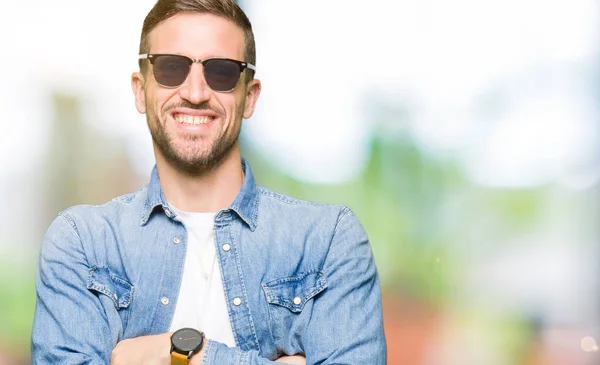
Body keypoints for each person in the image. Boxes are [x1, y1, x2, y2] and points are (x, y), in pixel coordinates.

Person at [31, 0, 387, 364]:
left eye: (221, 72)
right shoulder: (82, 243)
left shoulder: (327, 242)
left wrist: (180, 354)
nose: (196, 93)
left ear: (249, 96)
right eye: (171, 68)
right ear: (140, 90)